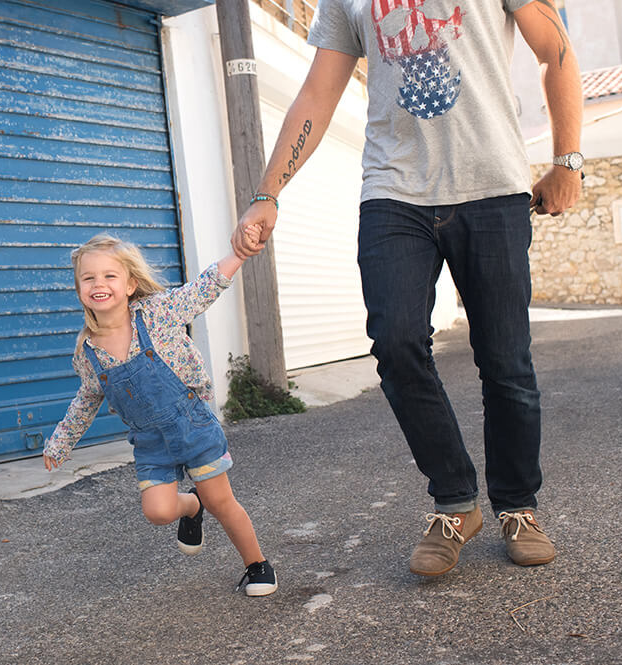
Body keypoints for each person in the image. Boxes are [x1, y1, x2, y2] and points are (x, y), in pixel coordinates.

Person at [233, 0, 582, 576]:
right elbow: (317, 94)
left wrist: (567, 160)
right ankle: (455, 502)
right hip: (394, 191)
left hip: (491, 188)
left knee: (505, 362)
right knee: (395, 344)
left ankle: (518, 505)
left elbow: (555, 50)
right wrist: (268, 192)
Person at [43, 233, 277, 596]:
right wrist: (60, 443)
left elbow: (202, 290)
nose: (98, 284)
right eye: (88, 278)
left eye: (109, 276)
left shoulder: (157, 313)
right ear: (78, 289)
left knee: (221, 501)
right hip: (151, 442)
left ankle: (256, 564)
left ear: (130, 283)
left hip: (191, 424)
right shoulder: (88, 353)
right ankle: (190, 506)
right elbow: (86, 400)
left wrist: (237, 254)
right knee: (158, 512)